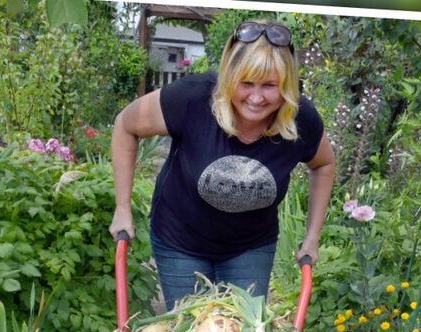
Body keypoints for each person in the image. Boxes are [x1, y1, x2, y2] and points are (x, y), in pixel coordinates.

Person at [110, 21, 335, 311]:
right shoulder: (191, 99)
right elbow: (126, 126)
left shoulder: (300, 119)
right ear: (229, 77)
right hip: (180, 241)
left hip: (250, 247)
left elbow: (324, 165)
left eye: (270, 86)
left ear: (287, 86)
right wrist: (122, 208)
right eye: (246, 83)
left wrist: (312, 237)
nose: (256, 98)